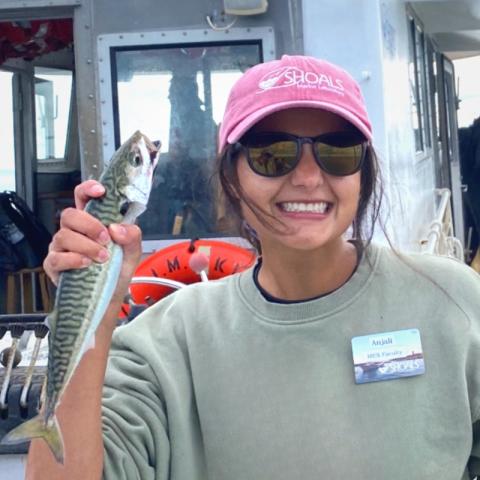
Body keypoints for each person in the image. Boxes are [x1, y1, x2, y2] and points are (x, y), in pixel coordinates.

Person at [28, 55, 480, 479]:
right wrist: (95, 301)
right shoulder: (169, 340)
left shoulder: (453, 301)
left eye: (339, 151)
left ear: (364, 174)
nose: (306, 177)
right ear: (232, 177)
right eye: (273, 153)